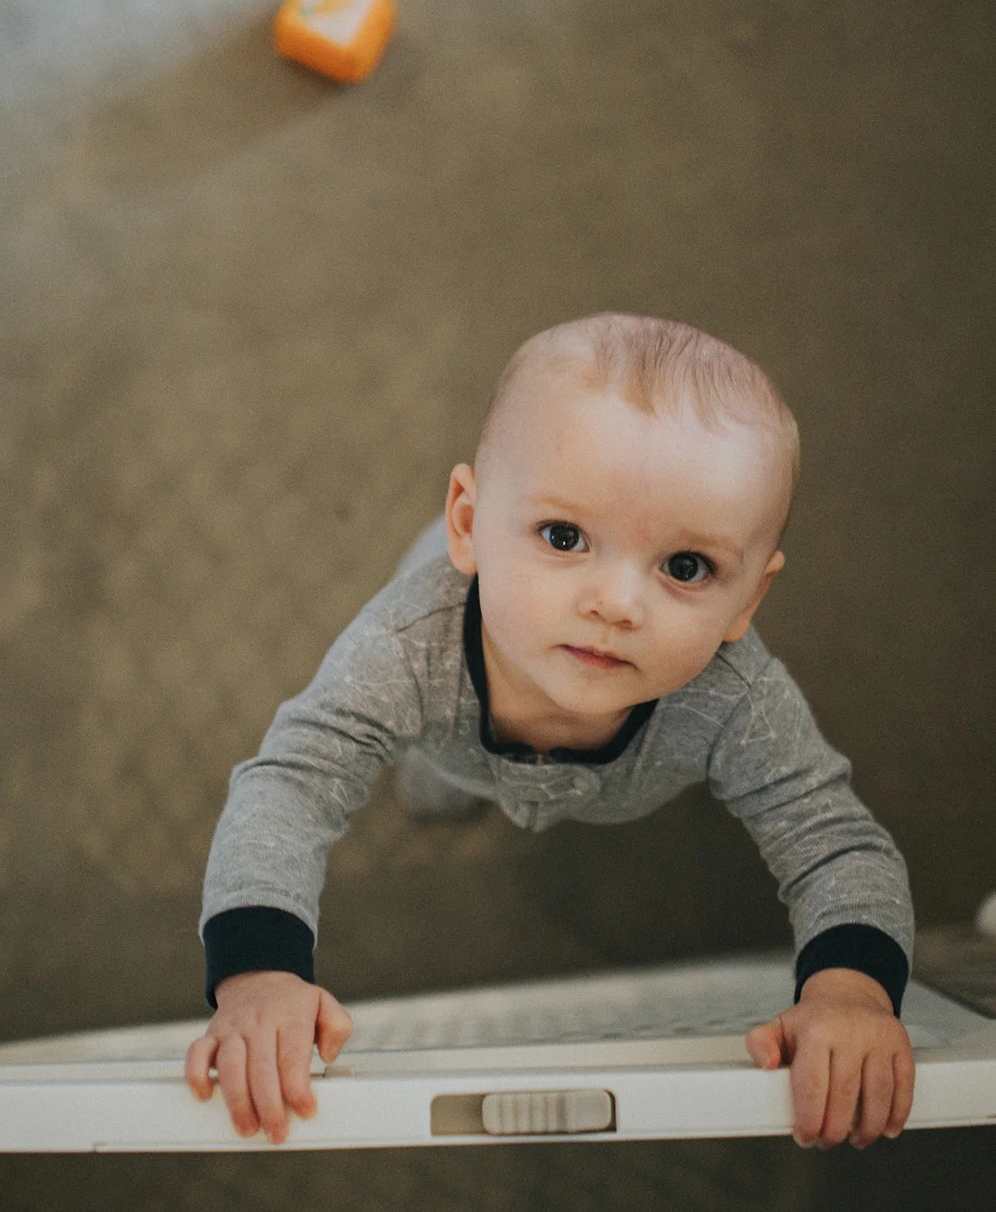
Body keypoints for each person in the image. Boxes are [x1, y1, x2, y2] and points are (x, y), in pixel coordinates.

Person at [183, 314, 915, 1150]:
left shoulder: (736, 698)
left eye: (686, 567)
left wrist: (852, 992)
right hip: (449, 717)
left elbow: (836, 842)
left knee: (446, 757)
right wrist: (258, 974)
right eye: (564, 537)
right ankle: (436, 778)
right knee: (427, 763)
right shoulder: (404, 645)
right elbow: (293, 780)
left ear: (748, 600)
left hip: (620, 781)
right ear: (469, 523)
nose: (616, 605)